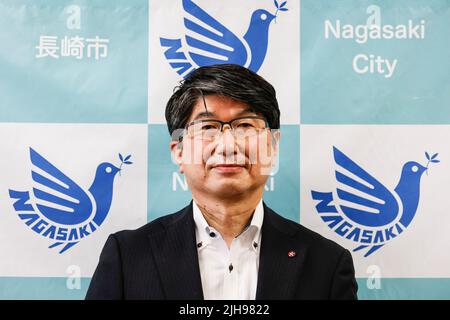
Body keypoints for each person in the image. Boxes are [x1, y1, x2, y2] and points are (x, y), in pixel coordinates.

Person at [86, 64, 358, 300]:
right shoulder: (128, 256)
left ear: (273, 147)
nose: (228, 144)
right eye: (208, 128)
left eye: (245, 126)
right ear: (179, 152)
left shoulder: (327, 263)